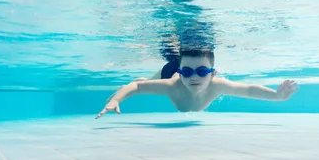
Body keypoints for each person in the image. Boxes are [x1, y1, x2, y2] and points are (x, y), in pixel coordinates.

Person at [96, 49, 299, 119]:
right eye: (188, 73)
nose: (194, 77)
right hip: (171, 70)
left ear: (213, 74)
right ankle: (170, 71)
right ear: (181, 72)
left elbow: (247, 89)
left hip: (183, 66)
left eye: (202, 72)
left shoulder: (217, 85)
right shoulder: (172, 84)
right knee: (146, 82)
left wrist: (277, 96)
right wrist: (117, 98)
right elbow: (137, 88)